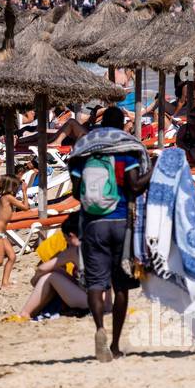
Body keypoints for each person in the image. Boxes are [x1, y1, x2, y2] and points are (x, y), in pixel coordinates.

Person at [70, 108, 152, 362]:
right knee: (122, 286)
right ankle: (115, 345)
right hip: (121, 223)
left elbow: (75, 193)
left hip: (93, 225)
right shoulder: (126, 153)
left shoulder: (86, 155)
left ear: (102, 123)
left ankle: (99, 329)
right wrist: (155, 169)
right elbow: (136, 186)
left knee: (96, 283)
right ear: (121, 125)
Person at [9, 224, 90, 321]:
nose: (65, 242)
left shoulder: (75, 250)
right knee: (55, 272)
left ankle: (25, 314)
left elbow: (42, 269)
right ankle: (28, 314)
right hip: (101, 300)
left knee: (52, 276)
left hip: (91, 302)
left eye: (66, 239)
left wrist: (35, 279)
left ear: (72, 236)